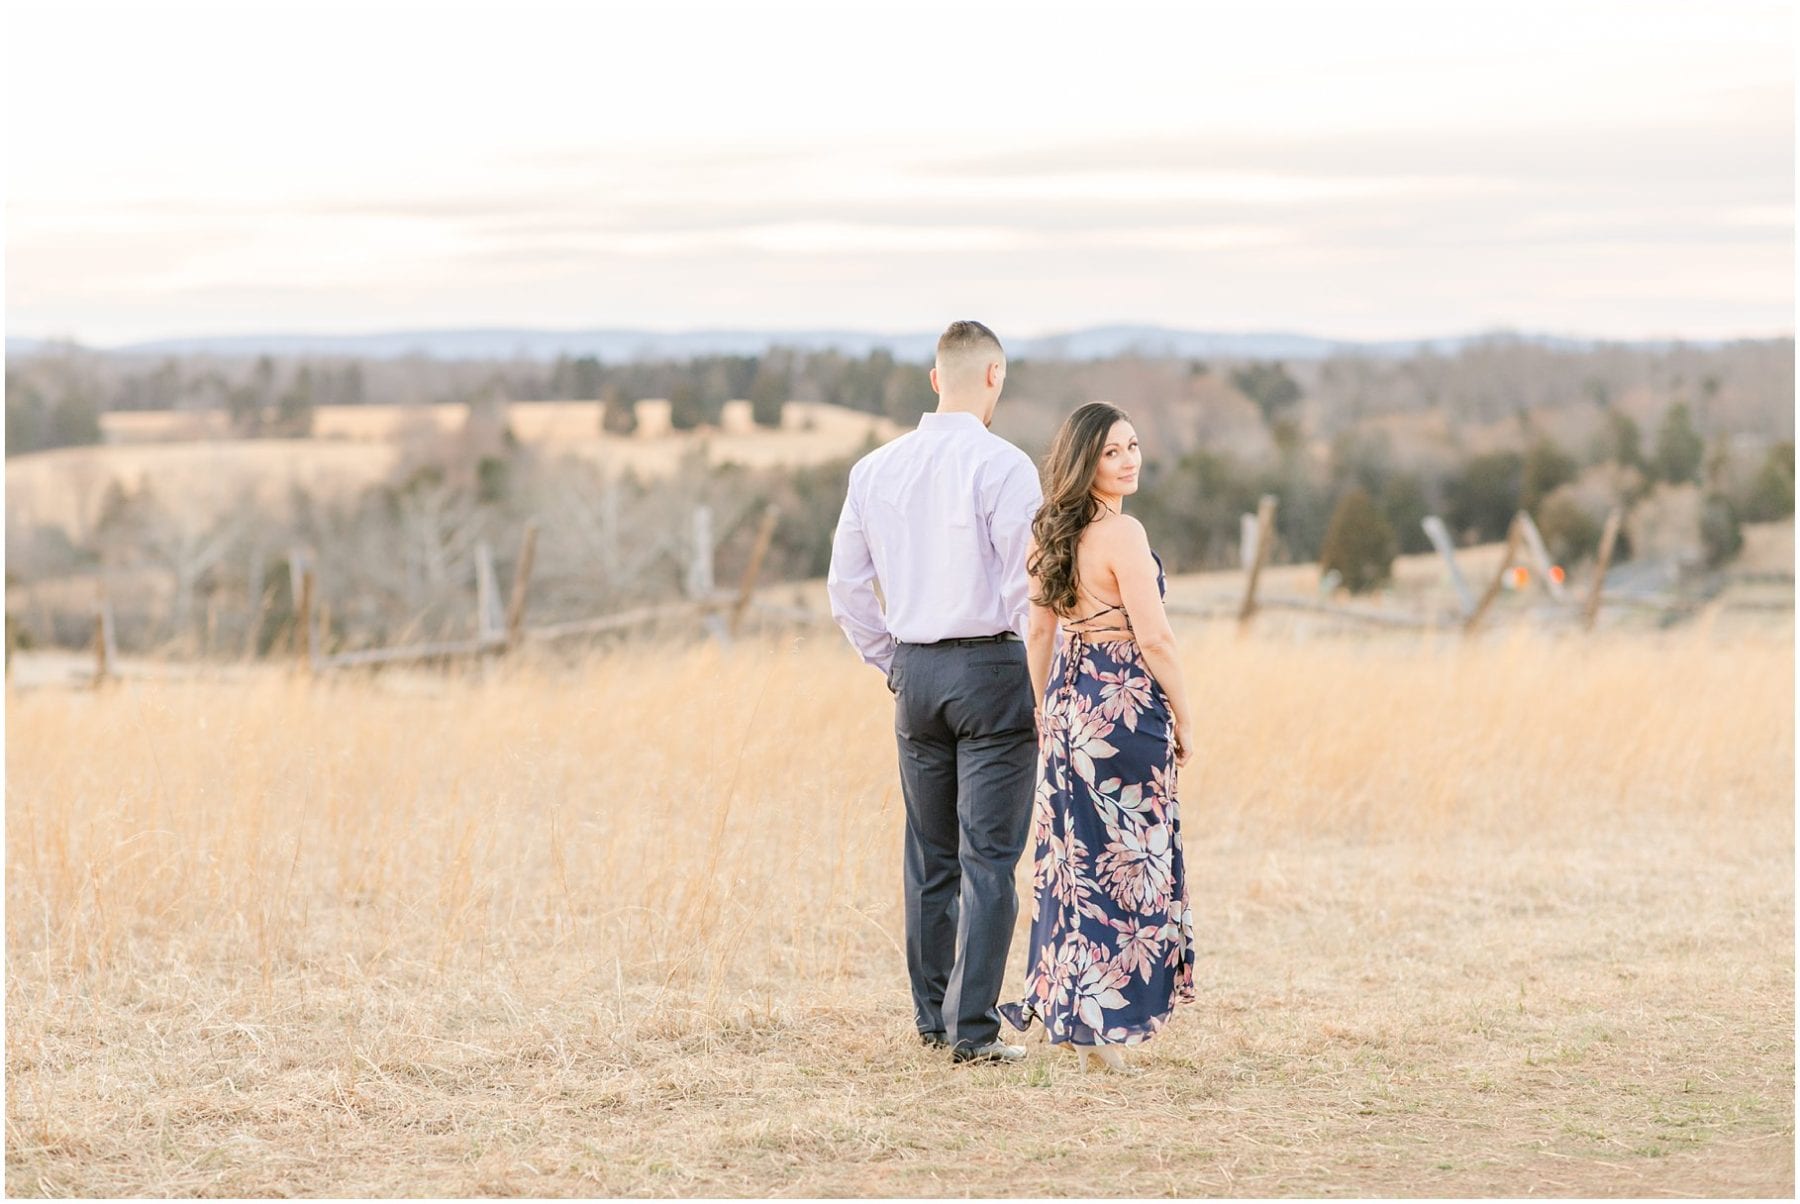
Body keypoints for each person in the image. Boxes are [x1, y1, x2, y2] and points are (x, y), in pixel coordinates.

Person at [827, 320, 1042, 1064]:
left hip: (914, 672)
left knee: (930, 856)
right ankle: (973, 1031)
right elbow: (1027, 590)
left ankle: (932, 1019)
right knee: (988, 858)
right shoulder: (1006, 466)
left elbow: (846, 589)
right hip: (992, 673)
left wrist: (891, 659)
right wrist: (1041, 680)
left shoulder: (875, 469)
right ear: (994, 378)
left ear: (933, 378)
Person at [998, 401, 1196, 1075]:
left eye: (1134, 445)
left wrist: (1042, 707)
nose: (1130, 459)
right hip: (1123, 704)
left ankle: (1080, 1018)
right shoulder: (1124, 534)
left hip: (1066, 705)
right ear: (1087, 461)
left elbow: (1041, 633)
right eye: (1113, 451)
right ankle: (1109, 1025)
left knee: (1074, 864)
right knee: (1130, 862)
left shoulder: (1052, 532)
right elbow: (1156, 637)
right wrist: (1186, 715)